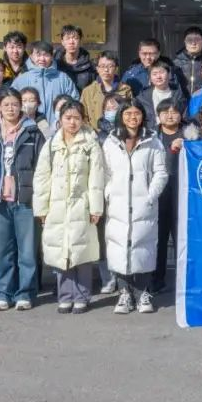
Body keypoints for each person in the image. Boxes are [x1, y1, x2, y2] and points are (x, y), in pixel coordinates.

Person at [33, 100, 105, 315]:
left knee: (81, 251)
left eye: (77, 118)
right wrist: (41, 208)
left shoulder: (90, 144)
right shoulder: (51, 145)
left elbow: (96, 177)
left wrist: (96, 208)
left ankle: (82, 296)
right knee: (60, 251)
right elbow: (42, 177)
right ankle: (65, 296)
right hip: (56, 206)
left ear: (83, 120)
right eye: (68, 118)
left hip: (82, 205)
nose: (72, 122)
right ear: (61, 119)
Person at [0, 89, 45, 312]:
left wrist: (41, 199)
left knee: (27, 250)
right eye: (6, 104)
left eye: (15, 104)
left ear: (21, 106)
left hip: (25, 199)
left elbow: (42, 168)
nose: (11, 108)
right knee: (2, 251)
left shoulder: (33, 132)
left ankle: (25, 293)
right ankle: (3, 293)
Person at [102, 102, 169, 315]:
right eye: (128, 113)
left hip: (144, 205)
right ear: (121, 116)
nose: (132, 117)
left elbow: (161, 172)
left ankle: (143, 293)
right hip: (118, 204)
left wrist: (151, 195)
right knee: (119, 246)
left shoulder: (153, 141)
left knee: (144, 246)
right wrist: (109, 193)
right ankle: (124, 292)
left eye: (137, 113)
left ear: (143, 116)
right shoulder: (111, 142)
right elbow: (105, 172)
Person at [150, 99, 184, 294]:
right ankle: (157, 279)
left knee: (182, 238)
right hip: (160, 194)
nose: (170, 115)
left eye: (174, 111)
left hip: (182, 193)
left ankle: (183, 280)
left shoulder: (190, 134)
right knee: (159, 240)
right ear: (158, 115)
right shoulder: (152, 136)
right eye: (166, 112)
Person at [11, 41, 80, 126]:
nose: (42, 59)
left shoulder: (63, 78)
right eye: (38, 55)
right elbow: (11, 102)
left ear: (51, 56)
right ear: (31, 56)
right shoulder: (21, 79)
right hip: (28, 128)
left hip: (59, 128)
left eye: (46, 55)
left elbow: (74, 101)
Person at [81, 51, 133, 127]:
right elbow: (83, 116)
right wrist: (91, 132)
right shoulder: (88, 91)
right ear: (97, 69)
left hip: (120, 131)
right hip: (95, 132)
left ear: (116, 68)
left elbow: (130, 113)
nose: (106, 70)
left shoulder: (125, 90)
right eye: (102, 66)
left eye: (110, 66)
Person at [136, 60, 187, 130]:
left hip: (174, 131)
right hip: (151, 132)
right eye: (154, 74)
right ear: (150, 78)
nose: (158, 76)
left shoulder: (179, 95)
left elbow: (184, 116)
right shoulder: (143, 97)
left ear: (169, 75)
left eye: (161, 72)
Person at [54, 24, 96, 93]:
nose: (71, 42)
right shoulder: (54, 65)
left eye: (75, 38)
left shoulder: (90, 67)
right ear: (62, 42)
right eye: (68, 38)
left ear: (80, 41)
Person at [174, 26, 202, 96]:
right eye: (189, 40)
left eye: (197, 39)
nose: (193, 43)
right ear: (185, 42)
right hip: (181, 101)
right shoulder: (175, 63)